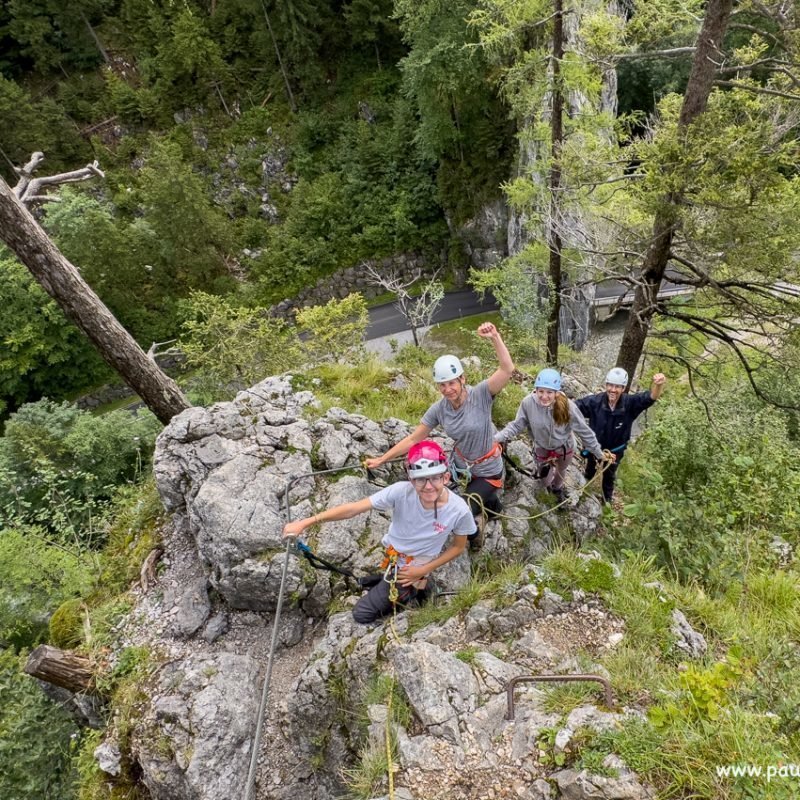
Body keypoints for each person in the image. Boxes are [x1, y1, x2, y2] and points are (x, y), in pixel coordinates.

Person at [283, 442, 475, 625]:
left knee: (361, 614)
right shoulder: (400, 492)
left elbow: (458, 547)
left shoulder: (458, 510)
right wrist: (305, 522)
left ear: (446, 477)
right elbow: (354, 508)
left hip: (412, 569)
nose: (428, 486)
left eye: (434, 477)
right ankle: (397, 581)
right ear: (411, 479)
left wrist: (423, 570)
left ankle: (413, 591)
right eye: (420, 479)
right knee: (380, 588)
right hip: (394, 554)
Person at [365, 322, 514, 548]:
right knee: (431, 496)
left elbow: (507, 370)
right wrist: (382, 459)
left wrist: (494, 337)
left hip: (486, 469)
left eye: (451, 383)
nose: (447, 389)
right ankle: (492, 506)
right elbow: (415, 438)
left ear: (462, 379)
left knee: (459, 511)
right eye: (442, 385)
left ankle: (475, 532)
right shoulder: (439, 409)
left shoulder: (482, 394)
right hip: (460, 466)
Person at [494, 368, 612, 504]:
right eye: (541, 391)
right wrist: (497, 438)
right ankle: (549, 488)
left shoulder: (568, 407)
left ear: (556, 393)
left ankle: (557, 489)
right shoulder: (528, 403)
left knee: (561, 471)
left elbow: (585, 432)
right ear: (536, 390)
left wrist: (599, 454)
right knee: (544, 480)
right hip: (541, 446)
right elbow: (517, 425)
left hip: (564, 447)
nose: (544, 396)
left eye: (549, 392)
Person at [575, 368, 667, 503]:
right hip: (595, 447)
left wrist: (658, 385)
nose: (613, 390)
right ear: (606, 385)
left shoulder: (630, 404)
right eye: (610, 385)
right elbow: (575, 407)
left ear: (623, 388)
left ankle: (607, 501)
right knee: (590, 468)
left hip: (615, 450)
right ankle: (586, 487)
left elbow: (651, 397)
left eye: (617, 386)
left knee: (609, 475)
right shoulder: (595, 402)